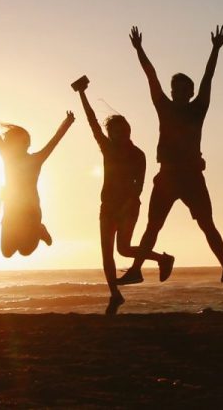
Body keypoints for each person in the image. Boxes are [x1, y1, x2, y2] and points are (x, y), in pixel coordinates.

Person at [121, 26, 223, 284]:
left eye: (183, 88)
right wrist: (139, 49)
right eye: (175, 88)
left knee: (207, 225)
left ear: (190, 92)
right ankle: (135, 271)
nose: (178, 92)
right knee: (152, 227)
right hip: (166, 176)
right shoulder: (163, 107)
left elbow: (208, 79)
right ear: (173, 91)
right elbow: (150, 76)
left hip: (192, 177)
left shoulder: (198, 108)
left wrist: (215, 49)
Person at [72, 76, 173, 315]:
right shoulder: (107, 147)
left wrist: (128, 204)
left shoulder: (139, 154)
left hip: (128, 206)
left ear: (128, 130)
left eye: (122, 130)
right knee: (107, 253)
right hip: (107, 206)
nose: (118, 134)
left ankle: (162, 259)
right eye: (114, 131)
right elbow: (92, 122)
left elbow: (139, 186)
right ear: (111, 134)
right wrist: (82, 94)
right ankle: (115, 295)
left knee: (124, 250)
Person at [0, 99, 73, 258]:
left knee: (25, 251)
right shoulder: (7, 157)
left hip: (30, 211)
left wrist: (67, 123)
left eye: (15, 142)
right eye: (9, 142)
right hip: (11, 209)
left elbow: (54, 141)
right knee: (7, 252)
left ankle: (39, 230)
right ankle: (36, 231)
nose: (9, 145)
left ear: (26, 144)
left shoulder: (36, 159)